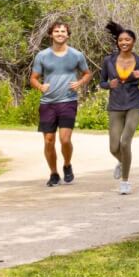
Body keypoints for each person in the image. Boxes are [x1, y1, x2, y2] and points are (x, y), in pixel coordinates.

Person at [29, 22, 92, 187]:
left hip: (68, 100)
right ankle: (54, 173)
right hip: (48, 102)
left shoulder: (76, 55)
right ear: (51, 34)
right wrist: (40, 86)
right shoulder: (42, 56)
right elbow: (33, 78)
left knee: (65, 140)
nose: (60, 33)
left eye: (63, 31)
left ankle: (67, 165)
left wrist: (79, 83)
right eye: (56, 31)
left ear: (68, 35)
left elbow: (87, 74)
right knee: (49, 140)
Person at [102, 19, 139, 195]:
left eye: (127, 40)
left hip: (134, 104)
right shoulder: (108, 60)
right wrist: (109, 85)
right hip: (115, 105)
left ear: (133, 42)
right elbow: (102, 82)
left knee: (125, 142)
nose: (124, 42)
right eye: (121, 40)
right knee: (113, 147)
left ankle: (125, 182)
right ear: (117, 42)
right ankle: (123, 162)